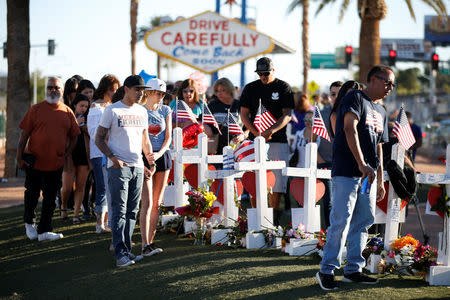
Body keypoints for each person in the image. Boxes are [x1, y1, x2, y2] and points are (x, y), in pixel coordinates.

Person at [316, 65, 393, 290]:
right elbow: (349, 129)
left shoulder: (382, 110)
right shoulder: (354, 98)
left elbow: (379, 146)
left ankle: (353, 270)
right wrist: (361, 164)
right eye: (387, 82)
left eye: (392, 84)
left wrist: (378, 177)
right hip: (347, 171)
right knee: (340, 221)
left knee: (363, 222)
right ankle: (326, 270)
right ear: (372, 79)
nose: (390, 87)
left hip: (368, 177)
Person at [95, 75, 155, 268]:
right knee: (119, 211)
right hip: (118, 167)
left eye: (142, 90)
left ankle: (127, 251)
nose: (140, 93)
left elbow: (145, 139)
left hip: (137, 165)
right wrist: (113, 157)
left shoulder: (142, 111)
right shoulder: (111, 110)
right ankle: (120, 254)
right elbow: (99, 139)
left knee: (132, 211)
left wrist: (149, 160)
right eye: (137, 89)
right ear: (126, 89)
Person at [17, 77, 80, 241]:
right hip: (35, 162)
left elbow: (74, 136)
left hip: (56, 164)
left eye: (57, 88)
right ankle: (29, 223)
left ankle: (44, 230)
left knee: (51, 198)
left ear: (62, 91)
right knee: (31, 195)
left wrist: (67, 153)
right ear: (46, 90)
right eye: (50, 87)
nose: (53, 90)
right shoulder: (35, 109)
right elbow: (24, 135)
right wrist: (19, 157)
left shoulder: (67, 111)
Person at [240, 57, 295, 224]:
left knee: (276, 182)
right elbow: (243, 114)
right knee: (254, 179)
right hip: (255, 140)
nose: (263, 76)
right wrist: (256, 133)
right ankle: (257, 217)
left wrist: (272, 130)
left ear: (273, 70)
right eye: (260, 73)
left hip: (278, 140)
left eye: (266, 73)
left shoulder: (283, 87)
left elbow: (287, 114)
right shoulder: (250, 88)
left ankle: (273, 219)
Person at [140, 78, 172, 256]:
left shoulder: (166, 109)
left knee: (157, 204)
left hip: (162, 156)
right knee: (147, 202)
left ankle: (150, 242)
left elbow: (168, 137)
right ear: (149, 93)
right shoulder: (140, 110)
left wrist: (159, 154)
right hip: (145, 157)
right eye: (157, 93)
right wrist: (148, 156)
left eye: (162, 94)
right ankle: (144, 243)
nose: (160, 97)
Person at [87, 74, 120, 233]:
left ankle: (107, 220)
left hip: (112, 152)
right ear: (105, 90)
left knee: (111, 188)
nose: (115, 93)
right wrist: (106, 136)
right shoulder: (95, 108)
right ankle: (99, 222)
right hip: (99, 153)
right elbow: (93, 133)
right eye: (112, 90)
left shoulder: (113, 106)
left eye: (116, 90)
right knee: (101, 187)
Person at [61, 94, 91, 224]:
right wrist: (75, 124)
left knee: (80, 186)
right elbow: (62, 134)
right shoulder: (67, 116)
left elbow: (95, 135)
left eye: (86, 106)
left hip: (84, 155)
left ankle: (76, 215)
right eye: (81, 106)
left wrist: (85, 128)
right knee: (67, 187)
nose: (83, 109)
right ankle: (63, 207)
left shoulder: (89, 118)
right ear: (75, 105)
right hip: (69, 156)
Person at [316, 81, 342, 229]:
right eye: (333, 94)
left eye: (339, 94)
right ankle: (329, 232)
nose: (336, 97)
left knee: (344, 201)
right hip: (326, 163)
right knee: (329, 201)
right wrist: (321, 161)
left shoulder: (352, 113)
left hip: (345, 164)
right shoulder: (322, 114)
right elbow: (312, 140)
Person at [203, 77, 241, 155]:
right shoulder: (212, 105)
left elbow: (248, 126)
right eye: (217, 91)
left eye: (223, 90)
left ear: (230, 90)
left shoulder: (239, 105)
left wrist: (243, 136)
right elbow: (201, 120)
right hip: (217, 148)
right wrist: (207, 129)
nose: (219, 93)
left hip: (237, 147)